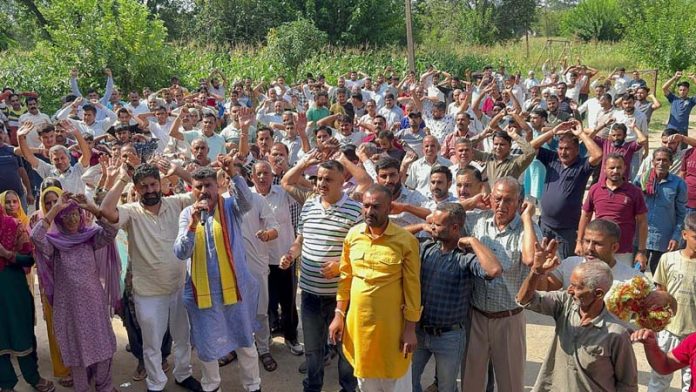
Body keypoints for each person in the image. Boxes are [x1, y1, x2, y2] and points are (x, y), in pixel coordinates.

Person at [100, 163, 202, 392]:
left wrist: (178, 170)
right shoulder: (131, 211)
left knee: (182, 337)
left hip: (179, 286)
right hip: (147, 291)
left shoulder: (176, 203)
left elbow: (201, 191)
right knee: (152, 343)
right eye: (143, 186)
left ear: (161, 183)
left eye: (153, 184)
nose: (149, 190)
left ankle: (183, 374)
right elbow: (106, 210)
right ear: (136, 189)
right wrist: (122, 179)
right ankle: (155, 383)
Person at [174, 166, 261, 392]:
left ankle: (253, 386)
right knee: (206, 346)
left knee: (245, 341)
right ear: (192, 189)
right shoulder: (187, 214)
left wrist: (233, 172)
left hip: (235, 289)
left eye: (208, 185)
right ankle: (211, 386)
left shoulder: (231, 207)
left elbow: (247, 202)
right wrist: (193, 225)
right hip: (203, 295)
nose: (204, 191)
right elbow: (181, 252)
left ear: (217, 186)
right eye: (199, 187)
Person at [329, 184, 421, 392]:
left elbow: (413, 289)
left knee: (395, 381)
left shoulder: (406, 241)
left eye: (376, 207)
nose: (370, 211)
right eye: (366, 206)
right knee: (366, 382)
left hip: (392, 330)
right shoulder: (353, 236)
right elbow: (346, 278)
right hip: (360, 328)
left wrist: (410, 330)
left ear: (389, 208)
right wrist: (339, 315)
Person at [279, 160, 361, 392]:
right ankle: (313, 387)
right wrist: (290, 254)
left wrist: (340, 265)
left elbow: (362, 251)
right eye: (319, 178)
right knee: (313, 350)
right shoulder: (309, 205)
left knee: (346, 349)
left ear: (342, 182)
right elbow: (300, 240)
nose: (321, 183)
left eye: (328, 179)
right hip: (310, 294)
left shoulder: (355, 211)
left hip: (342, 298)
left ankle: (348, 388)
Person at [516, 239, 638, 391]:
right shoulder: (564, 304)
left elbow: (628, 384)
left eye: (576, 287)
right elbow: (524, 300)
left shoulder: (616, 334)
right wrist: (536, 271)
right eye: (570, 284)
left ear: (598, 293)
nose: (569, 290)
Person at [31, 193, 121, 392]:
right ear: (59, 219)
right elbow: (35, 236)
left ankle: (104, 387)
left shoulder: (89, 238)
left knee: (103, 349)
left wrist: (91, 207)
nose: (71, 219)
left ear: (81, 216)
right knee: (78, 354)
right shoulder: (54, 243)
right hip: (70, 309)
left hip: (93, 304)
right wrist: (55, 208)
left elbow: (111, 231)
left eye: (75, 214)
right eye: (66, 215)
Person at [411, 203, 502, 392]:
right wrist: (420, 227)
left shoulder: (464, 258)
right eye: (432, 223)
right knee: (408, 382)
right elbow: (395, 236)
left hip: (449, 337)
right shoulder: (428, 248)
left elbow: (493, 270)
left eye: (437, 224)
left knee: (446, 387)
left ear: (454, 228)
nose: (432, 227)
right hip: (420, 332)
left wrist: (473, 242)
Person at [461, 177, 541, 392]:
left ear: (519, 202)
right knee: (471, 383)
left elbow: (531, 259)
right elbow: (440, 214)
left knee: (511, 384)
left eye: (508, 200)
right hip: (476, 316)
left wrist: (526, 218)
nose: (501, 205)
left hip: (509, 318)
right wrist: (471, 202)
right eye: (497, 199)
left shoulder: (527, 229)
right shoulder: (478, 220)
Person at [0, 201, 55, 392]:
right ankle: (6, 384)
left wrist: (6, 254)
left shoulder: (12, 226)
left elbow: (30, 258)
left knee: (20, 332)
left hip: (13, 292)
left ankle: (33, 377)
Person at [534, 121, 603, 259]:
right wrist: (553, 131)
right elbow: (530, 147)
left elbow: (598, 154)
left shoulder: (582, 166)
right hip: (545, 226)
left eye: (567, 149)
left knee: (564, 266)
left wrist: (581, 134)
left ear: (577, 150)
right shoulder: (552, 158)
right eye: (560, 148)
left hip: (566, 231)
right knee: (542, 263)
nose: (562, 152)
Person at [644, 212, 696, 391]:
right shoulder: (668, 259)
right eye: (695, 237)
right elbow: (661, 293)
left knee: (690, 382)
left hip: (693, 335)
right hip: (668, 330)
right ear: (685, 235)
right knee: (659, 378)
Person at [578, 153, 649, 269]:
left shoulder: (634, 192)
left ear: (625, 168)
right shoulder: (595, 189)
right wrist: (579, 242)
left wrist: (641, 251)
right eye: (612, 168)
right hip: (597, 249)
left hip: (623, 251)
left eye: (619, 167)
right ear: (604, 168)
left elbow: (642, 222)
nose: (615, 171)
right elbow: (585, 216)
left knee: (621, 285)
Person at [633, 147, 687, 274]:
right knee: (635, 275)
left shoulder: (678, 184)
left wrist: (676, 237)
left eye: (665, 160)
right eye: (658, 160)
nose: (661, 163)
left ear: (671, 163)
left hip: (664, 239)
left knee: (660, 276)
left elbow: (681, 214)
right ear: (653, 162)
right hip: (640, 237)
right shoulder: (641, 180)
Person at [18, 120, 92, 194]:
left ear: (69, 158)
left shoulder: (78, 170)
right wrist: (20, 137)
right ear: (51, 161)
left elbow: (86, 155)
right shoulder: (49, 171)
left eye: (62, 158)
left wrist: (77, 133)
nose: (60, 161)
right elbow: (28, 156)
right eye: (56, 159)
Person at [662, 71, 696, 137]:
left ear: (688, 90)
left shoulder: (691, 101)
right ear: (678, 91)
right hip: (671, 129)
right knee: (668, 146)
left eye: (684, 90)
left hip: (683, 130)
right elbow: (664, 88)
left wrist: (694, 78)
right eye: (680, 90)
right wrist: (674, 77)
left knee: (683, 147)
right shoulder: (673, 98)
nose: (682, 91)